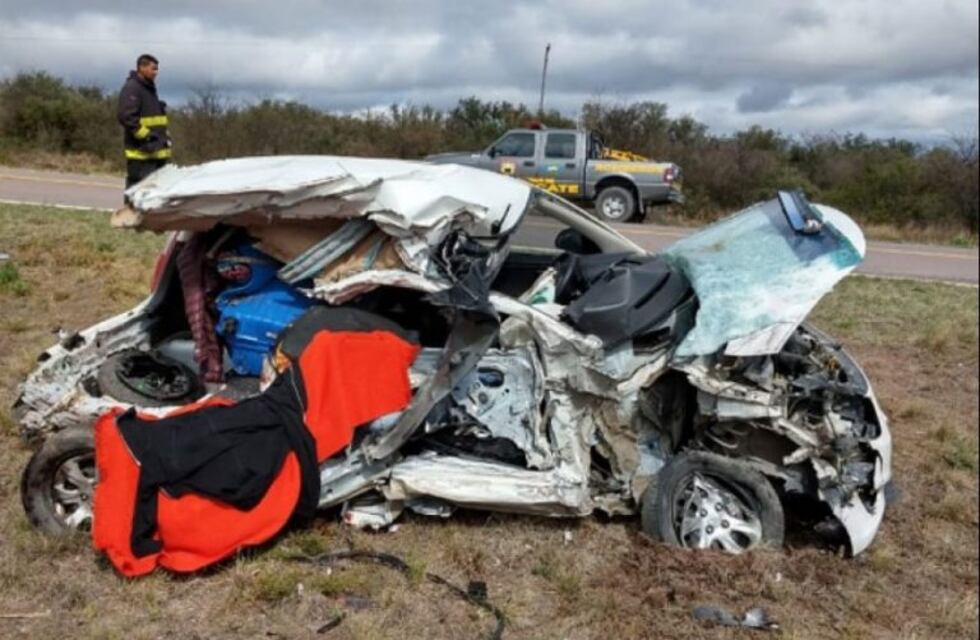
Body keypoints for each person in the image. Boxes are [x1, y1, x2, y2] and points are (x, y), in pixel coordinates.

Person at [117, 54, 172, 191]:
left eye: (157, 69)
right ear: (142, 68)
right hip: (141, 155)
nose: (156, 72)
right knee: (138, 192)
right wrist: (147, 137)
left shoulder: (148, 88)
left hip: (154, 154)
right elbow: (127, 118)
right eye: (153, 69)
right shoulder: (133, 88)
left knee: (153, 193)